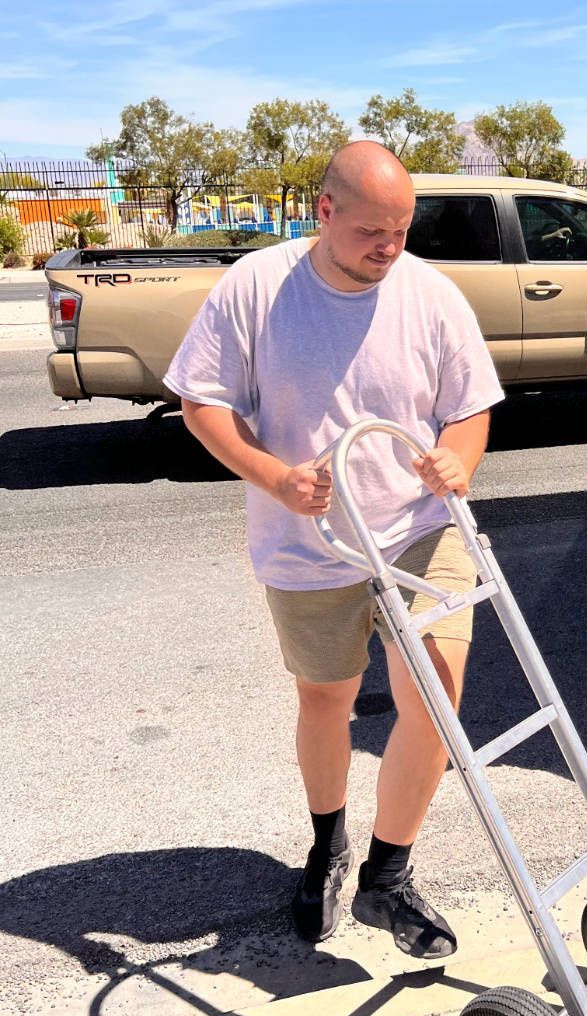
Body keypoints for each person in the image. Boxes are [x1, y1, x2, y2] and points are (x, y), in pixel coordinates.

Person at [164, 141, 504, 957]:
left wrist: (458, 457)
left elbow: (471, 407)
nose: (389, 247)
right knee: (326, 700)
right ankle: (327, 845)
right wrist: (274, 476)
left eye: (401, 229)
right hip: (306, 543)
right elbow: (199, 402)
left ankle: (388, 879)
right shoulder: (257, 287)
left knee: (438, 690)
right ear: (324, 213)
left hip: (420, 532)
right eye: (370, 232)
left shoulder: (431, 294)